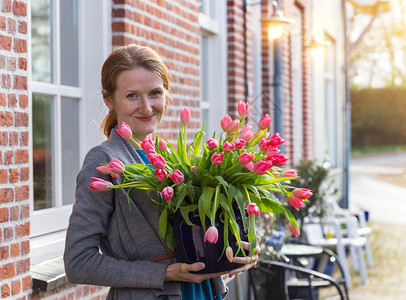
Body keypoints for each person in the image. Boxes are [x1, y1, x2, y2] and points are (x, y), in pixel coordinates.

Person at [63, 44, 260, 299]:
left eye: (155, 93)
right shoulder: (104, 160)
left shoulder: (173, 159)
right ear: (109, 100)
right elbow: (78, 263)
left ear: (167, 94)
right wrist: (165, 273)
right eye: (132, 95)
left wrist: (238, 248)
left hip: (202, 293)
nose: (146, 108)